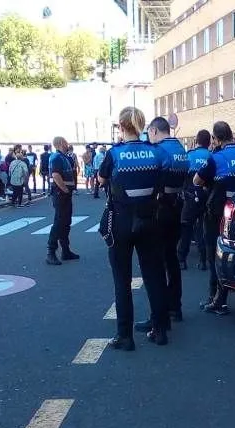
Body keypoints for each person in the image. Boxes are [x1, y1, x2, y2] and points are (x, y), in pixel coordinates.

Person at [97, 107, 170, 349]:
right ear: (141, 125)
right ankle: (159, 330)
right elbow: (164, 178)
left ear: (120, 126)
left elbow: (101, 179)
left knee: (122, 280)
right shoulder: (155, 152)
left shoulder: (114, 153)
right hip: (149, 219)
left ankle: (125, 337)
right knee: (154, 275)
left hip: (121, 220)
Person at [193, 121, 235, 315]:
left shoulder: (217, 158)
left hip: (220, 213)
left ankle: (217, 299)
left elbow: (197, 180)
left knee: (216, 254)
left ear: (217, 138)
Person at [134, 116, 187, 334]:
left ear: (154, 131)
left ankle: (158, 314)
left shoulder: (159, 151)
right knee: (172, 258)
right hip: (177, 206)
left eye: (149, 133)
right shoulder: (180, 149)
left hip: (159, 208)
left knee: (156, 264)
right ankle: (175, 306)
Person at [178, 130, 211, 271]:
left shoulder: (189, 155)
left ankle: (181, 260)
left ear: (196, 141)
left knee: (186, 228)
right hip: (207, 198)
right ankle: (203, 261)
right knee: (202, 229)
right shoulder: (212, 156)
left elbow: (182, 176)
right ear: (209, 142)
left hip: (190, 198)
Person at [46, 136, 80, 265]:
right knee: (59, 221)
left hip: (65, 193)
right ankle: (51, 251)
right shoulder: (56, 157)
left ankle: (65, 250)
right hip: (60, 193)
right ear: (60, 143)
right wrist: (65, 189)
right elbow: (55, 175)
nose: (67, 144)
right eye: (66, 142)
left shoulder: (64, 157)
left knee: (66, 221)